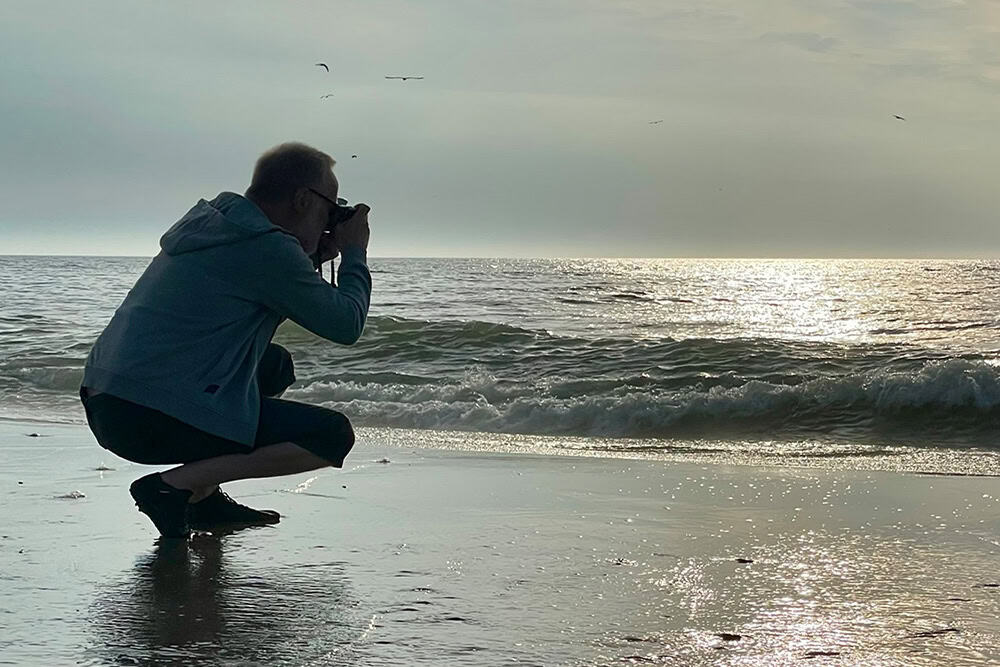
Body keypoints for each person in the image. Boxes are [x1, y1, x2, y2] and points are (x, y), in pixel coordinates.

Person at [79, 142, 372, 539]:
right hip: (147, 416)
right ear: (303, 199)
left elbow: (262, 278)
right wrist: (354, 254)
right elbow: (346, 324)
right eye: (330, 209)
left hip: (112, 404)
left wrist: (316, 254)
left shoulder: (219, 227)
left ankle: (204, 498)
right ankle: (172, 488)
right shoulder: (266, 248)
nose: (329, 221)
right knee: (331, 435)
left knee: (274, 365)